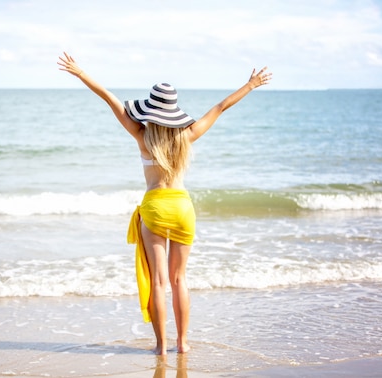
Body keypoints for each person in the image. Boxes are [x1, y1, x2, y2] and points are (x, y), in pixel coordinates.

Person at [57, 52, 271, 355]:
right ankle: (182, 344)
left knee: (159, 281)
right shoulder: (188, 135)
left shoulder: (141, 135)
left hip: (155, 207)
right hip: (183, 207)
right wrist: (251, 85)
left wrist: (80, 73)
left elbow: (108, 97)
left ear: (150, 110)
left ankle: (160, 346)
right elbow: (220, 107)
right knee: (179, 278)